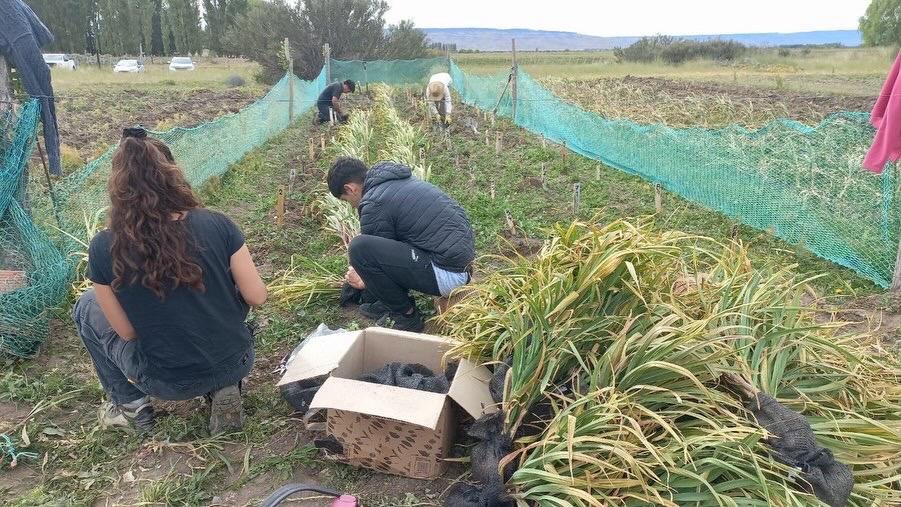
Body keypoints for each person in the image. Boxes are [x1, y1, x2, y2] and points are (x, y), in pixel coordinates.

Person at [72, 127, 267, 434]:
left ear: (119, 186)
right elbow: (256, 296)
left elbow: (127, 331)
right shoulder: (218, 224)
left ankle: (131, 406)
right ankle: (222, 385)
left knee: (86, 305)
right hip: (236, 360)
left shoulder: (104, 247)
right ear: (173, 174)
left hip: (167, 380)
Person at [327, 157, 475, 332]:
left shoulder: (374, 202)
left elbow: (376, 262)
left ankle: (407, 316)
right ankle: (389, 303)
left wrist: (363, 281)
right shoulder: (396, 184)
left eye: (346, 200)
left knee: (359, 248)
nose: (352, 206)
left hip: (448, 274)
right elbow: (392, 252)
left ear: (350, 189)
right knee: (370, 250)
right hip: (460, 265)